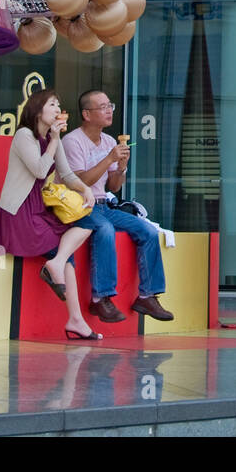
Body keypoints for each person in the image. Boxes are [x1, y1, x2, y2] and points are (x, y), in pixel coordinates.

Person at [0, 87, 102, 340]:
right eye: (52, 104)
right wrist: (53, 140)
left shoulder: (54, 139)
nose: (57, 109)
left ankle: (58, 267)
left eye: (58, 105)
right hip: (19, 211)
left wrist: (86, 189)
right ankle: (76, 319)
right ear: (38, 109)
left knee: (89, 220)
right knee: (67, 256)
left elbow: (68, 174)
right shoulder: (24, 136)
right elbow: (40, 171)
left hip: (40, 207)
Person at [62, 89, 174, 322]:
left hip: (103, 205)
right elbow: (81, 183)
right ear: (86, 114)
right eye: (102, 106)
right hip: (80, 205)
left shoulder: (110, 141)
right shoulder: (72, 141)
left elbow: (113, 186)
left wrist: (121, 167)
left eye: (109, 105)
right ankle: (100, 299)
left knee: (147, 230)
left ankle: (148, 296)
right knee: (104, 230)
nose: (109, 110)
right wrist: (110, 159)